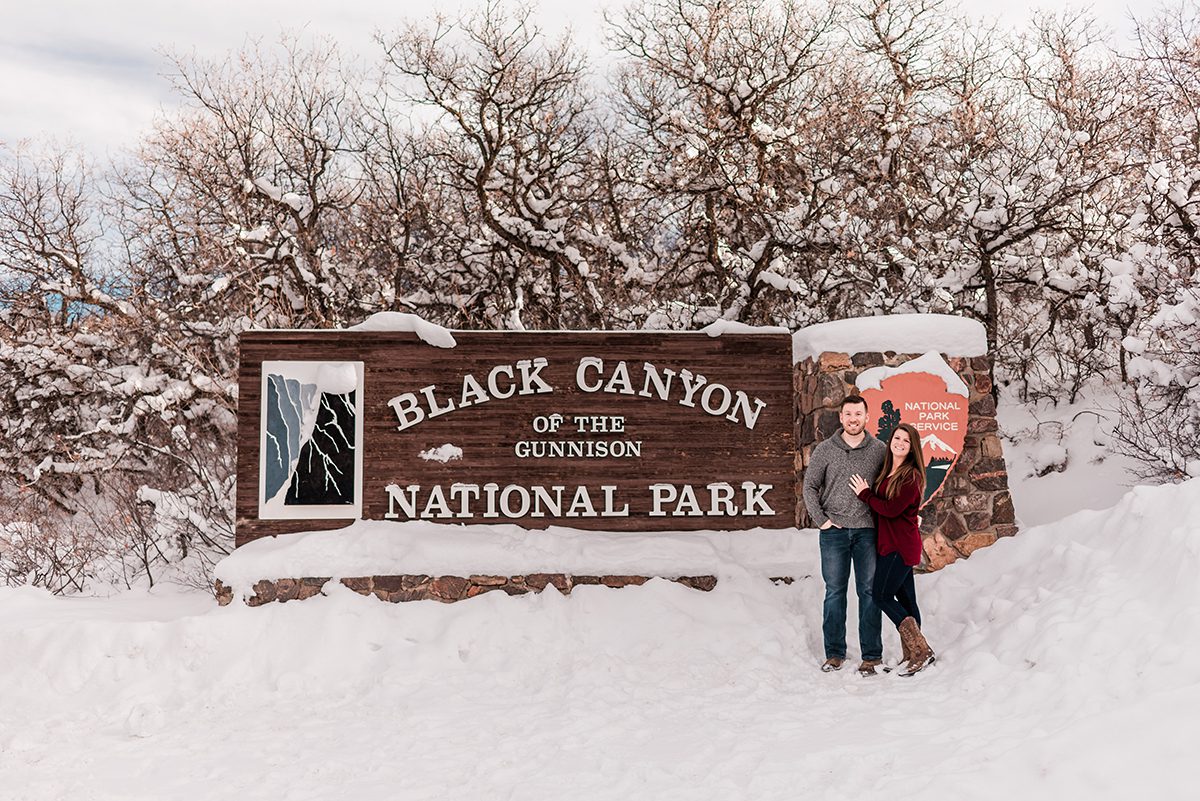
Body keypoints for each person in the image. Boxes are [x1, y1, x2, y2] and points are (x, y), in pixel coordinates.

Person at [802, 394, 888, 676]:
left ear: (867, 417)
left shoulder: (879, 450)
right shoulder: (825, 450)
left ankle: (871, 656)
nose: (853, 419)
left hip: (867, 531)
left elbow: (889, 487)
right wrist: (823, 522)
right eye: (848, 414)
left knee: (869, 592)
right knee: (835, 592)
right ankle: (835, 653)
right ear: (841, 417)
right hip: (834, 533)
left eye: (858, 414)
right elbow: (810, 487)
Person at [849, 422, 936, 677]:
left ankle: (921, 651)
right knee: (908, 600)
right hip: (890, 543)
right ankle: (913, 654)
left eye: (906, 441)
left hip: (900, 545)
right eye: (897, 438)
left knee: (881, 596)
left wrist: (865, 494)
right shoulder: (889, 471)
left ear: (912, 448)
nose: (899, 443)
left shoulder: (911, 476)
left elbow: (891, 509)